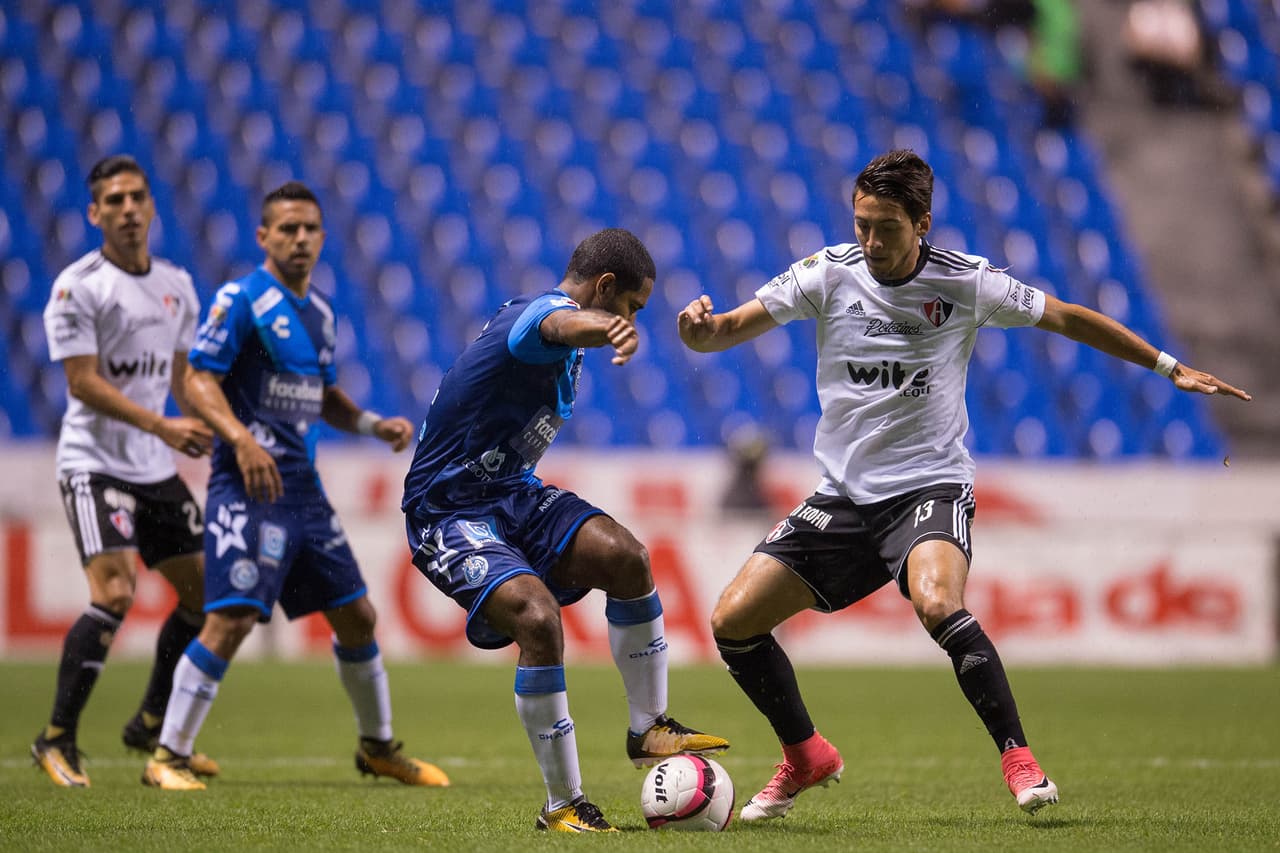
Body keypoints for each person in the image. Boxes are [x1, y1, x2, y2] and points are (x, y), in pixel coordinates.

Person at [677, 149, 1252, 821]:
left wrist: (1167, 365)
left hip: (929, 486)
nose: (870, 241)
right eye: (861, 223)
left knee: (934, 599)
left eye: (885, 226)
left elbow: (1065, 316)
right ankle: (806, 755)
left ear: (921, 223)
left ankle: (1018, 757)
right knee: (732, 621)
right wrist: (699, 331)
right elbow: (722, 333)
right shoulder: (827, 274)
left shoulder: (966, 283)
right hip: (843, 494)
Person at [401, 228, 729, 832]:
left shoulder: (551, 323)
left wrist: (604, 326)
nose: (630, 318)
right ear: (605, 288)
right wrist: (606, 327)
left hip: (512, 494)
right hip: (447, 511)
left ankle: (648, 727)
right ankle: (563, 805)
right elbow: (556, 326)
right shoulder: (540, 317)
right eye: (631, 306)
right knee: (537, 616)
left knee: (627, 557)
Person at [140, 181, 448, 791]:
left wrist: (367, 423)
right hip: (248, 483)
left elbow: (321, 396)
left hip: (303, 489)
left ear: (322, 237)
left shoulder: (322, 312)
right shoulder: (243, 299)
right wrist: (240, 438)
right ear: (264, 237)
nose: (299, 238)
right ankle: (167, 756)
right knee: (231, 617)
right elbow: (199, 380)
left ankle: (378, 747)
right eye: (287, 229)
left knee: (357, 616)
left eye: (309, 229)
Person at [34, 154, 219, 787]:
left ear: (152, 207)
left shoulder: (177, 286)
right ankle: (56, 738)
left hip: (151, 464)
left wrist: (221, 430)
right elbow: (82, 383)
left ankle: (150, 723)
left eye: (136, 197)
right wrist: (165, 427)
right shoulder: (78, 287)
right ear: (94, 214)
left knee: (206, 595)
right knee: (114, 593)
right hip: (95, 464)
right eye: (113, 201)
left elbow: (181, 379)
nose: (128, 209)